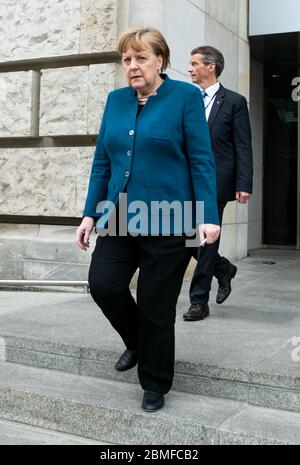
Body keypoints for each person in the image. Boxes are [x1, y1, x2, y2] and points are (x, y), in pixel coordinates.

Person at [76, 28, 220, 412]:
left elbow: (201, 160)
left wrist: (207, 215)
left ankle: (155, 382)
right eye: (127, 59)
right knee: (103, 285)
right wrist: (90, 213)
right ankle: (139, 341)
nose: (133, 66)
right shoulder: (116, 100)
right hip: (119, 215)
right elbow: (103, 161)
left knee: (156, 305)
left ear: (160, 60)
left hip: (170, 219)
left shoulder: (185, 97)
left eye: (141, 58)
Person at [183, 46, 253, 322]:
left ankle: (199, 301)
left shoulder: (234, 101)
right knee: (187, 241)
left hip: (216, 182)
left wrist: (243, 182)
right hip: (185, 181)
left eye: (194, 63)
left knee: (205, 240)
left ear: (211, 67)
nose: (189, 68)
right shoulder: (187, 99)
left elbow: (243, 146)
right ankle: (223, 269)